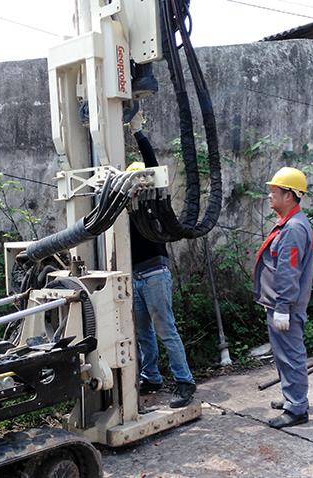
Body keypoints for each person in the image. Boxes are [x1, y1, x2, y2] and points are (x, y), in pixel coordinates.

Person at [127, 112, 196, 408]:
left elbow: (152, 166)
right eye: (133, 182)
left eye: (140, 181)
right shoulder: (122, 208)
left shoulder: (154, 203)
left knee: (165, 328)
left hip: (155, 273)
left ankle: (185, 382)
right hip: (134, 276)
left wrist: (139, 134)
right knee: (142, 332)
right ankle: (151, 376)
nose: (138, 185)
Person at [253, 166, 313, 429]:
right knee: (283, 355)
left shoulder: (293, 229)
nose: (270, 196)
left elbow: (288, 272)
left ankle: (297, 408)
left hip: (285, 305)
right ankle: (293, 397)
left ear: (289, 195)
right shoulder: (289, 224)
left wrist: (282, 306)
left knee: (291, 355)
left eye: (274, 192)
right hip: (281, 303)